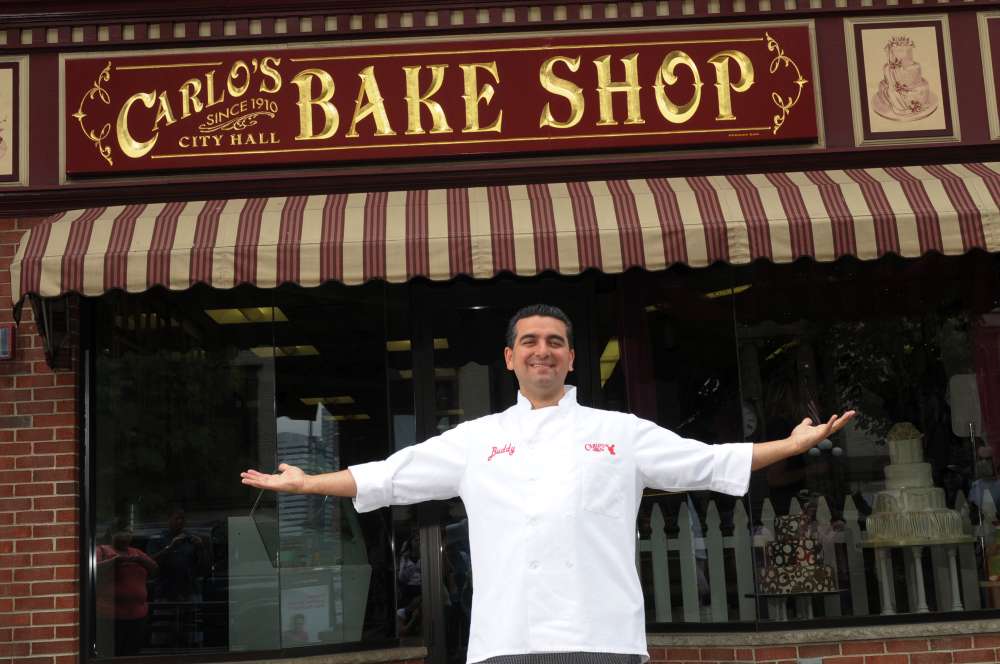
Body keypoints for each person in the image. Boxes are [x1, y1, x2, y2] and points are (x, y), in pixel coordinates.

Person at [242, 304, 854, 664]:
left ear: (571, 358)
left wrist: (790, 446)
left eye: (555, 342)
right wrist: (310, 483)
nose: (543, 351)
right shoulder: (477, 438)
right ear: (509, 358)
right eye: (529, 342)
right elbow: (390, 476)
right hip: (507, 638)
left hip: (604, 636)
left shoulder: (620, 431)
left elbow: (708, 463)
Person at [96, 517, 158, 656]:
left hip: (138, 616)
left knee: (132, 655)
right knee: (111, 654)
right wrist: (115, 562)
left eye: (128, 532)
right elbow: (93, 571)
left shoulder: (137, 552)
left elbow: (154, 569)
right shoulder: (101, 550)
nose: (126, 536)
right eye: (122, 532)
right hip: (109, 617)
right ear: (112, 533)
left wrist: (141, 560)